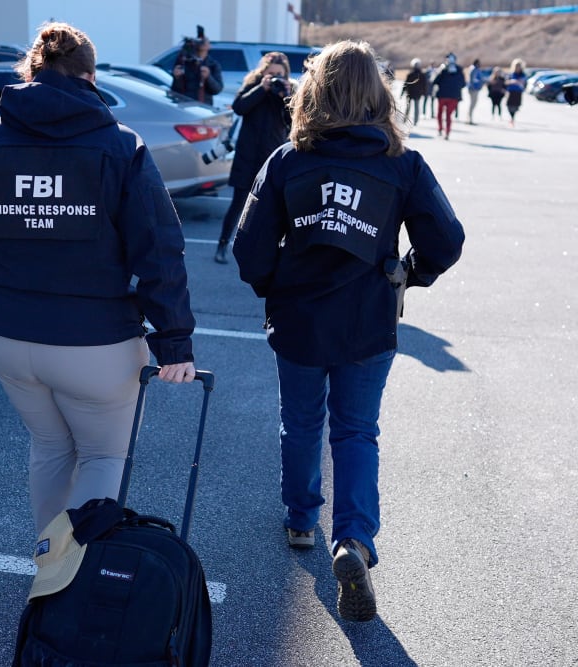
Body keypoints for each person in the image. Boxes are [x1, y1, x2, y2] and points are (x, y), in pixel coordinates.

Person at [0, 22, 198, 535]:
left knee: (49, 446)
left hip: (4, 334)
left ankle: (48, 567)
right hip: (95, 344)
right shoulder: (119, 145)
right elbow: (158, 249)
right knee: (103, 457)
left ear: (32, 72)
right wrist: (174, 342)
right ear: (90, 76)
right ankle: (72, 586)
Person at [232, 40, 465, 622]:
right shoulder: (401, 164)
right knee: (357, 432)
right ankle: (353, 540)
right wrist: (411, 274)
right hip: (367, 322)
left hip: (301, 321)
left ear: (315, 92)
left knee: (302, 420)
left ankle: (301, 519)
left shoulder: (289, 159)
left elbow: (249, 249)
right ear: (379, 96)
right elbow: (448, 239)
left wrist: (274, 286)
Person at [214, 52, 292, 264]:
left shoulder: (289, 90)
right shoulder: (253, 85)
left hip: (272, 158)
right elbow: (239, 107)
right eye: (271, 74)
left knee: (273, 208)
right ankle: (222, 245)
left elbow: (293, 121)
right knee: (238, 203)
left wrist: (285, 96)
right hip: (247, 156)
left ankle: (268, 254)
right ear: (263, 72)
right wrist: (262, 88)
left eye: (279, 74)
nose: (275, 77)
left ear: (285, 74)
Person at [171, 31, 224, 106]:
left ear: (209, 46)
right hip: (185, 106)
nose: (201, 42)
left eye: (204, 41)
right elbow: (175, 90)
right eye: (199, 41)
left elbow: (217, 90)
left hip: (204, 108)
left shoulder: (213, 65)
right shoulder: (184, 62)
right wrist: (177, 78)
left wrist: (208, 77)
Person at [431, 52, 466, 140]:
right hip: (453, 96)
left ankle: (440, 129)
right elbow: (463, 84)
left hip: (443, 95)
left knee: (440, 113)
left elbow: (435, 81)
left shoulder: (443, 69)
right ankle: (447, 132)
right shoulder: (459, 69)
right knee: (448, 115)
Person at [401, 58, 428, 125]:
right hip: (414, 93)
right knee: (413, 107)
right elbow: (406, 84)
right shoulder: (420, 75)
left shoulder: (415, 74)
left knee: (410, 107)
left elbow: (424, 84)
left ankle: (407, 120)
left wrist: (402, 93)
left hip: (411, 93)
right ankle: (412, 120)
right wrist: (424, 93)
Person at [506, 58, 527, 127]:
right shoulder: (511, 74)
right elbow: (506, 82)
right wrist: (512, 81)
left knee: (515, 106)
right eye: (516, 66)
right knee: (509, 105)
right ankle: (511, 117)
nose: (517, 67)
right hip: (511, 91)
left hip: (518, 92)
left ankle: (512, 119)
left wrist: (519, 82)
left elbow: (524, 83)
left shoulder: (522, 75)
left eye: (518, 66)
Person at [466, 58, 485, 124]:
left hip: (475, 88)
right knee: (472, 104)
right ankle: (469, 119)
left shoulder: (475, 69)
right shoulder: (474, 69)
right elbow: (472, 79)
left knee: (473, 104)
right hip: (473, 89)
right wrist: (477, 84)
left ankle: (469, 118)